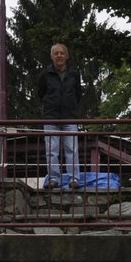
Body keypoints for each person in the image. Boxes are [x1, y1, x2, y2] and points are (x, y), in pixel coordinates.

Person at [37, 42, 83, 187]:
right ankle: (53, 179)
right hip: (51, 118)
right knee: (51, 151)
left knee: (72, 150)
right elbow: (41, 93)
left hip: (70, 117)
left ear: (66, 56)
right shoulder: (45, 74)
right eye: (56, 53)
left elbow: (78, 94)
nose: (59, 55)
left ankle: (74, 179)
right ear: (51, 56)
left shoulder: (74, 74)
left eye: (61, 53)